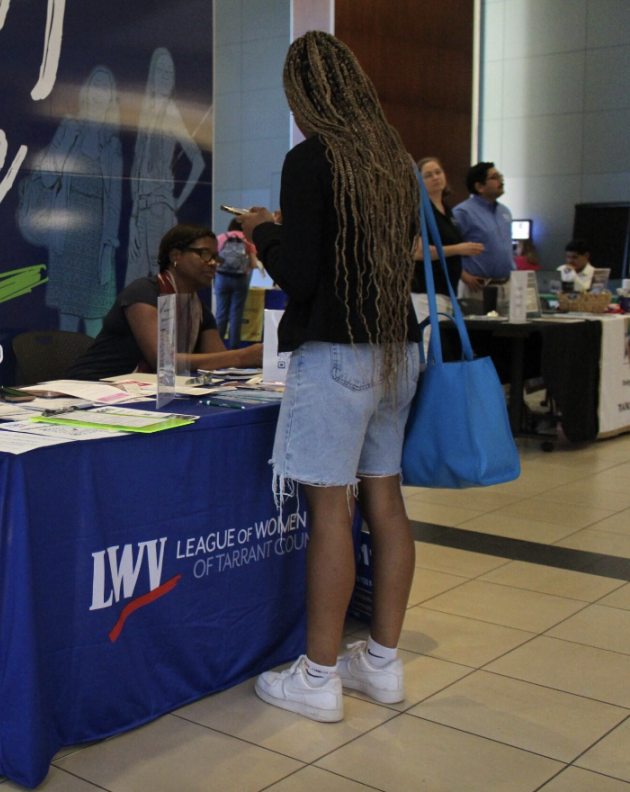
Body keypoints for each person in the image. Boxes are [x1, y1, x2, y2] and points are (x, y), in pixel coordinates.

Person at [240, 31, 422, 724]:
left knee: (329, 513)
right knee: (387, 502)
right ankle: (381, 663)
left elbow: (303, 275)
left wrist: (263, 232)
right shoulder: (390, 160)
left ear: (302, 96)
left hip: (338, 354)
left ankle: (317, 676)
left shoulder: (310, 159)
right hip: (397, 350)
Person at [66, 223, 263, 381]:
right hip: (94, 388)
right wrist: (242, 357)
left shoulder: (197, 308)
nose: (212, 263)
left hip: (141, 395)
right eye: (204, 254)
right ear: (175, 256)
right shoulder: (144, 292)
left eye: (215, 257)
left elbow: (219, 361)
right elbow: (163, 361)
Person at [31, 66, 123, 337]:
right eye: (95, 87)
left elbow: (114, 201)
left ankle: (96, 377)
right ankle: (66, 376)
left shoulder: (112, 144)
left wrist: (107, 249)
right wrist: (65, 142)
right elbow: (47, 177)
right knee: (68, 322)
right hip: (68, 238)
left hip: (97, 244)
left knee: (96, 321)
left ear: (110, 99)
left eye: (105, 90)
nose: (98, 95)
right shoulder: (69, 127)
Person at [125, 48, 205, 282]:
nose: (163, 76)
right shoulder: (145, 115)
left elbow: (197, 161)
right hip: (141, 213)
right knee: (133, 290)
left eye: (168, 71)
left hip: (160, 211)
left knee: (162, 287)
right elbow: (137, 171)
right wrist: (133, 219)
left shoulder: (170, 112)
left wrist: (176, 201)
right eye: (159, 70)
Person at [411, 157, 484, 334]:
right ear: (419, 181)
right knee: (428, 348)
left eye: (438, 172)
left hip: (448, 291)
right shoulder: (419, 210)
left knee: (443, 349)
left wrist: (462, 272)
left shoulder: (447, 210)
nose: (435, 177)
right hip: (427, 292)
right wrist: (459, 249)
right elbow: (419, 252)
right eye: (428, 175)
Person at [453, 161, 516, 306]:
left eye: (500, 175)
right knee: (478, 329)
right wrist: (462, 274)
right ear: (480, 186)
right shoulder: (463, 213)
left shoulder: (504, 211)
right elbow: (448, 247)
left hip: (507, 286)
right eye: (495, 177)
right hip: (477, 288)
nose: (502, 180)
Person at [214, 217, 259, 348]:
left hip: (222, 278)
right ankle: (234, 348)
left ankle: (216, 347)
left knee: (221, 314)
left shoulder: (221, 237)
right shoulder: (247, 240)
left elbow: (214, 259)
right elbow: (253, 263)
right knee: (236, 315)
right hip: (240, 280)